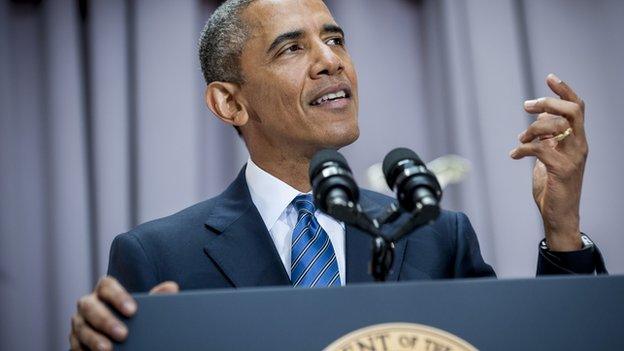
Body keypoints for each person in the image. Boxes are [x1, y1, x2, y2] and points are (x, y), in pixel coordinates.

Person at [68, 0, 605, 350]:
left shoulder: (434, 233)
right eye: (292, 47)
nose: (331, 61)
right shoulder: (159, 256)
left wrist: (563, 227)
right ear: (230, 102)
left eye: (336, 39)